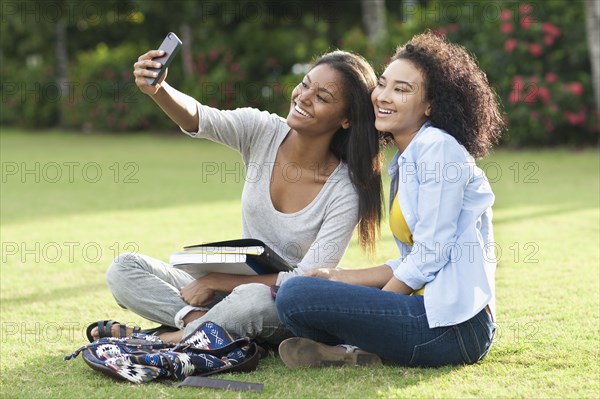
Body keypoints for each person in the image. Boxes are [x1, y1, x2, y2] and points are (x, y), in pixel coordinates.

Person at [87, 48, 385, 346]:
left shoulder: (345, 190)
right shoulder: (262, 130)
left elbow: (307, 280)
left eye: (322, 97)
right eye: (305, 84)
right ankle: (201, 328)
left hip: (278, 301)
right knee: (124, 268)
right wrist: (159, 89)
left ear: (346, 119)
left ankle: (163, 339)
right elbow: (200, 118)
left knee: (251, 301)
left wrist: (218, 282)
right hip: (226, 294)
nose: (304, 97)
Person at [275, 30, 506, 368]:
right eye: (382, 84)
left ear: (430, 105)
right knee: (304, 287)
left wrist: (373, 308)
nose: (383, 96)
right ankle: (355, 355)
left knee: (296, 296)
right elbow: (413, 261)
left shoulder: (437, 149)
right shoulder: (408, 157)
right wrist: (339, 278)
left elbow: (430, 255)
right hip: (426, 313)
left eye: (401, 90)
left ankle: (351, 346)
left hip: (454, 328)